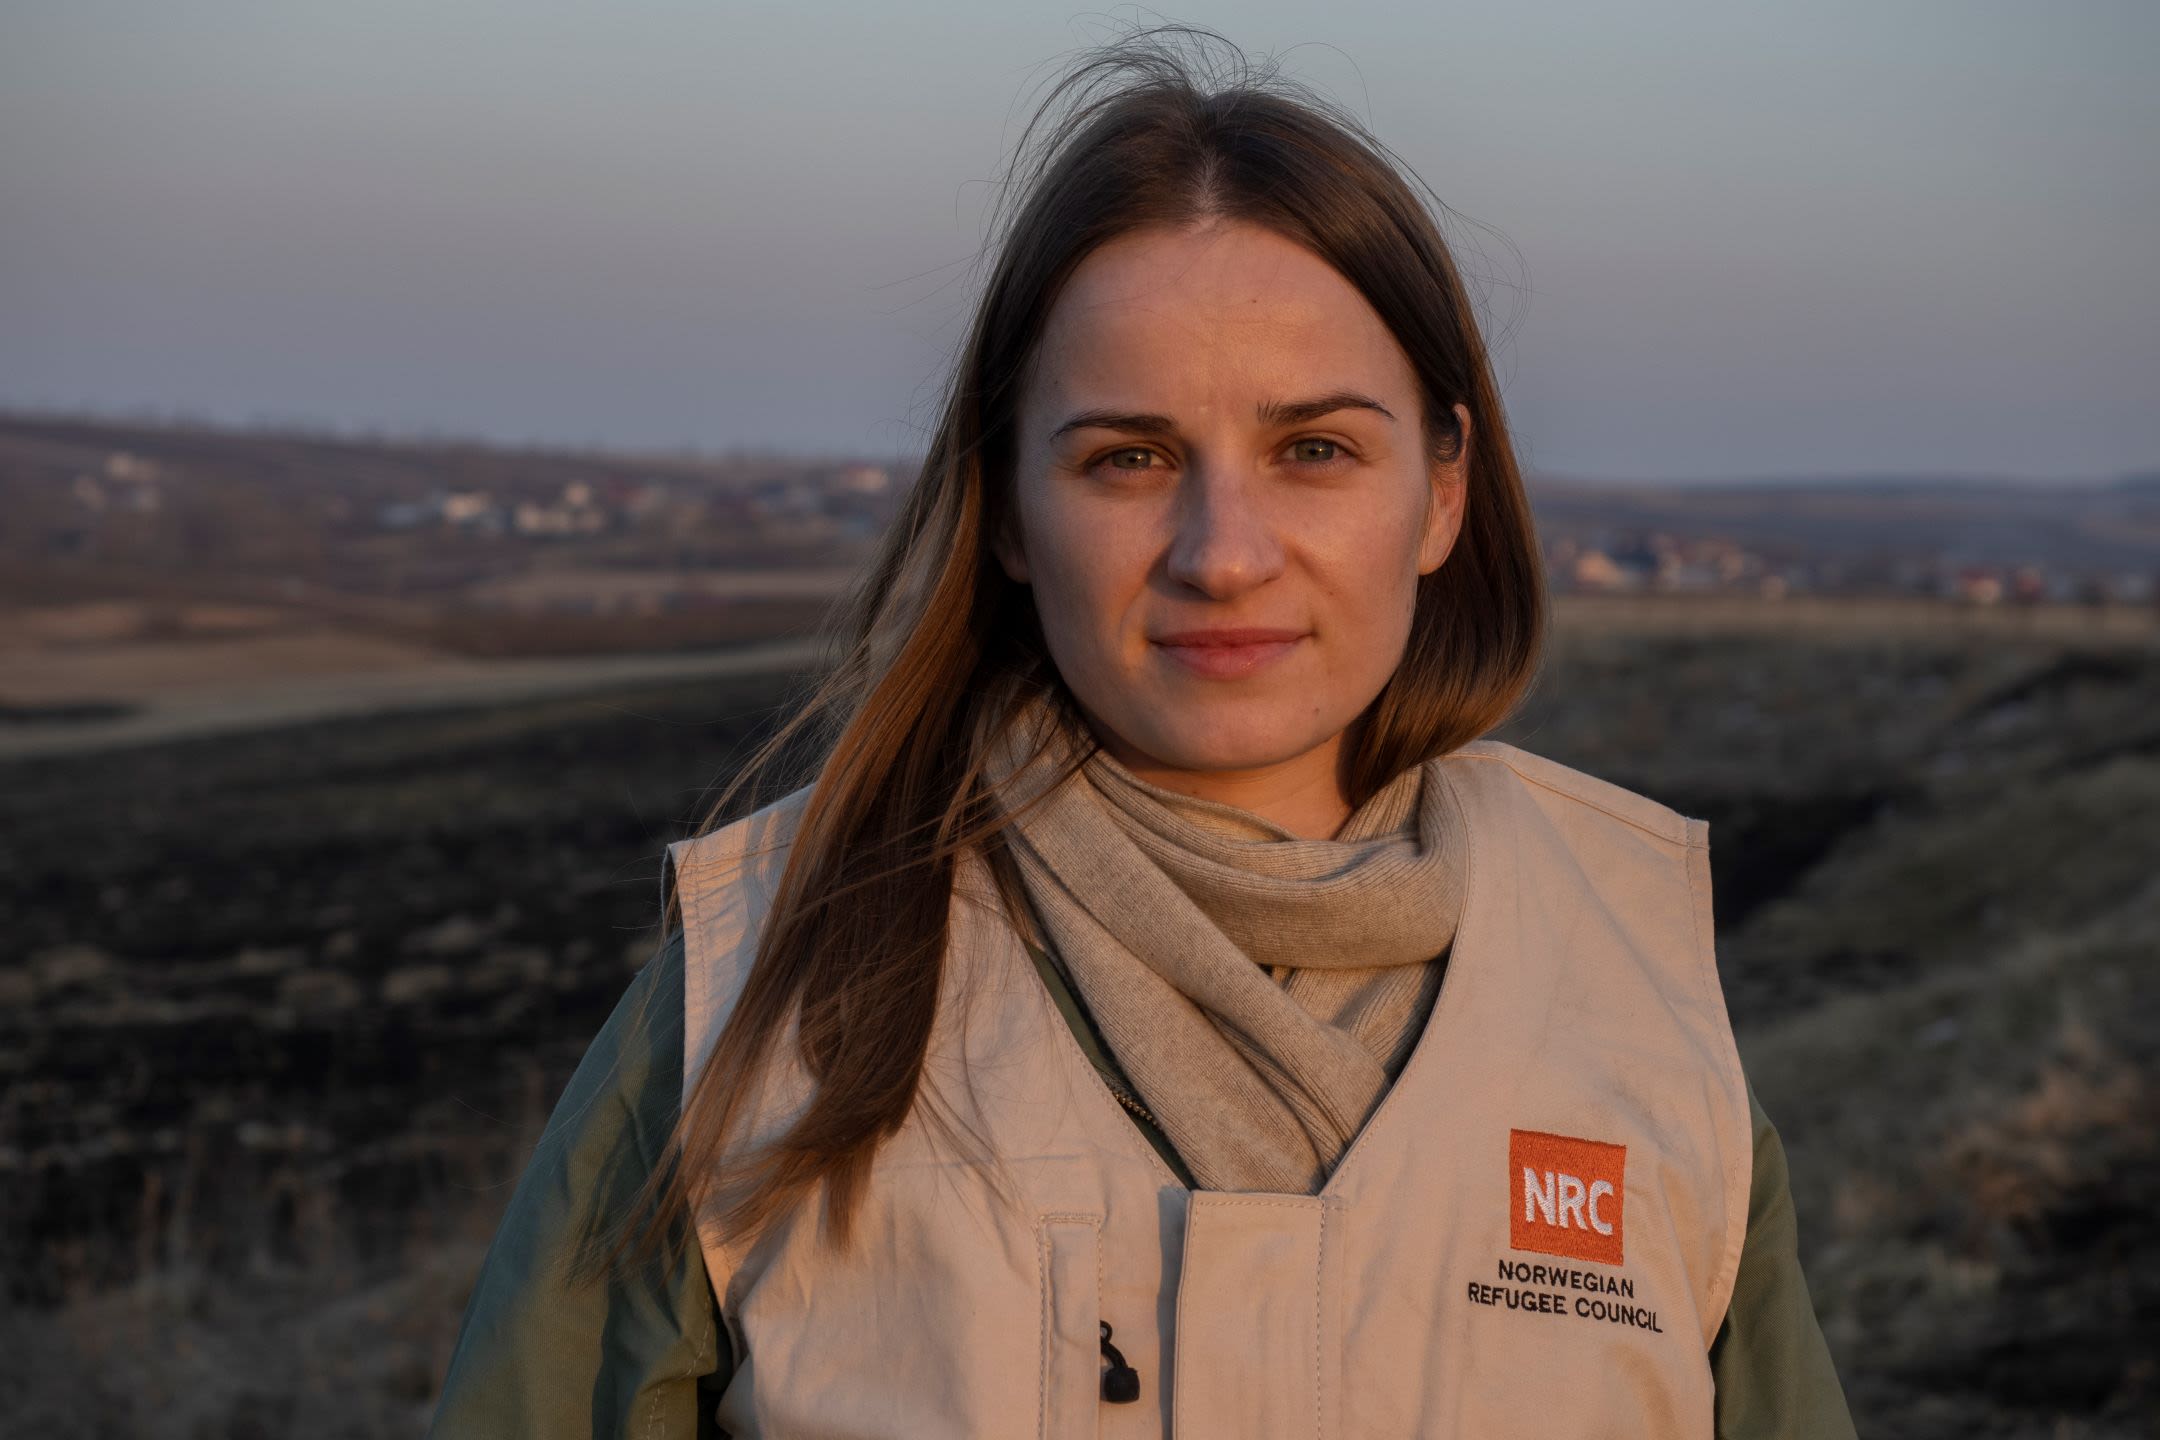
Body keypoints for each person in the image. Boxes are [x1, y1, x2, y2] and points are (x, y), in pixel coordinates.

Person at [428, 26, 1856, 1439]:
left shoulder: (1636, 983)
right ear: (1009, 512)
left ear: (1440, 491)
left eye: (1314, 450)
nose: (1224, 554)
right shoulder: (766, 991)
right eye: (1130, 457)